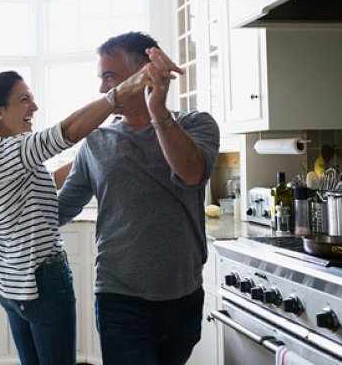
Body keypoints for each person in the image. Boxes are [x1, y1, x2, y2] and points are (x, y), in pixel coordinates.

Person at [0, 52, 180, 365]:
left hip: (10, 282)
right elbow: (66, 132)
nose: (34, 107)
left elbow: (45, 182)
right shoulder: (14, 149)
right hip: (41, 279)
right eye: (24, 100)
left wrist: (91, 153)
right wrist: (122, 92)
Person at [57, 31, 220, 365]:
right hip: (120, 297)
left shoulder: (196, 124)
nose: (103, 89)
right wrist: (11, 223)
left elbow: (191, 174)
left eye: (110, 77)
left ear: (144, 73)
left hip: (185, 294)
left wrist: (157, 110)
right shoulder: (96, 141)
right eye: (102, 79)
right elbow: (61, 208)